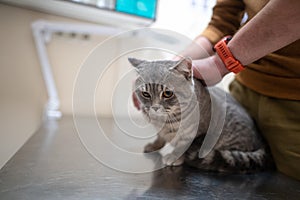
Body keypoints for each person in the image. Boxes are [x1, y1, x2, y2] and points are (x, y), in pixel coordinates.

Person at [133, 0, 300, 180]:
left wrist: (219, 63)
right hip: (243, 89)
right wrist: (164, 71)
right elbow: (222, 22)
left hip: (293, 101)